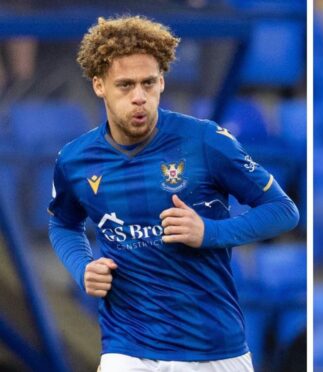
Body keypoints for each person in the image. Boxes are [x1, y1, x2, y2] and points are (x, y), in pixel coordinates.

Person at [48, 15, 299, 372]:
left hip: (214, 350)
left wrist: (209, 232)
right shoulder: (75, 160)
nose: (139, 97)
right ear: (98, 85)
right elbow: (63, 224)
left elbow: (283, 210)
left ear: (162, 82)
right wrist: (83, 267)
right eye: (125, 85)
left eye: (148, 83)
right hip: (128, 348)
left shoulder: (205, 140)